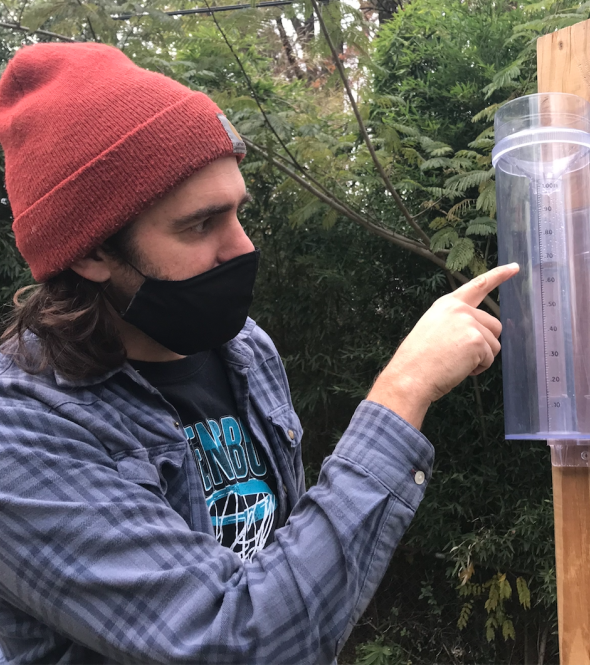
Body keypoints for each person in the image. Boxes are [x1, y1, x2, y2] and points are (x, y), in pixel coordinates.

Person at [0, 42, 516, 664]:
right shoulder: (24, 435)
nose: (241, 249)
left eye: (238, 212)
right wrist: (403, 391)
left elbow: (289, 567)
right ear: (91, 253)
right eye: (199, 225)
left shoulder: (244, 349)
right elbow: (239, 643)